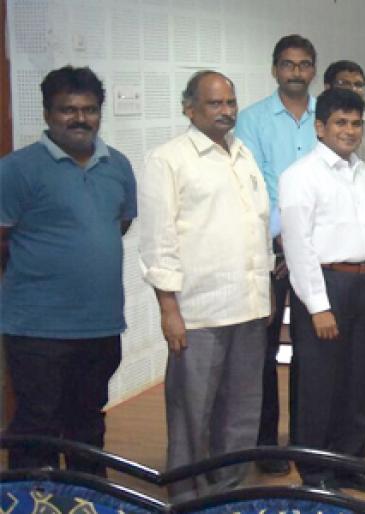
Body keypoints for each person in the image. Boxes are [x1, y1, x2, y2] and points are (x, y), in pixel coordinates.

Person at [139, 71, 271, 501]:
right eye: (215, 103)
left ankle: (228, 494)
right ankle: (186, 496)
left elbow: (257, 224)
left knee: (241, 413)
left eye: (231, 102)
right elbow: (158, 243)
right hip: (198, 312)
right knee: (191, 414)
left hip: (249, 307)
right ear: (188, 108)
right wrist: (168, 309)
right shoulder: (168, 160)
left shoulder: (242, 153)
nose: (226, 111)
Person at [0, 66, 135, 476]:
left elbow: (120, 223)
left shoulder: (118, 165)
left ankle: (87, 500)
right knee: (37, 426)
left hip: (100, 325)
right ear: (47, 114)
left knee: (88, 422)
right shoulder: (16, 169)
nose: (80, 118)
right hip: (37, 329)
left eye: (89, 109)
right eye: (67, 110)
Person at [278, 88, 365, 494]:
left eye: (355, 123)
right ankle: (315, 470)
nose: (349, 131)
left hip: (364, 283)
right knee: (319, 383)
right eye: (340, 123)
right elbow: (298, 247)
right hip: (325, 286)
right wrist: (317, 306)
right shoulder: (300, 176)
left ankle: (350, 462)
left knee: (360, 381)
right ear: (320, 127)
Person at [235, 34, 319, 475]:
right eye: (288, 64)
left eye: (304, 65)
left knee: (310, 349)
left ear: (313, 70)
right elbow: (251, 187)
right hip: (270, 251)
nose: (296, 72)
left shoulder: (328, 117)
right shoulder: (251, 120)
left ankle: (306, 440)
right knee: (264, 350)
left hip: (319, 253)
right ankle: (266, 443)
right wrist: (281, 237)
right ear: (274, 69)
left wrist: (306, 240)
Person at [323, 59, 365, 439]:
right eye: (344, 83)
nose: (350, 130)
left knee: (363, 364)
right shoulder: (309, 165)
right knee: (327, 369)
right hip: (330, 268)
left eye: (359, 83)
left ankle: (358, 439)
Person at [324, 60, 365, 164]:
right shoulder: (317, 122)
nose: (353, 89)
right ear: (327, 87)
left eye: (358, 85)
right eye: (344, 84)